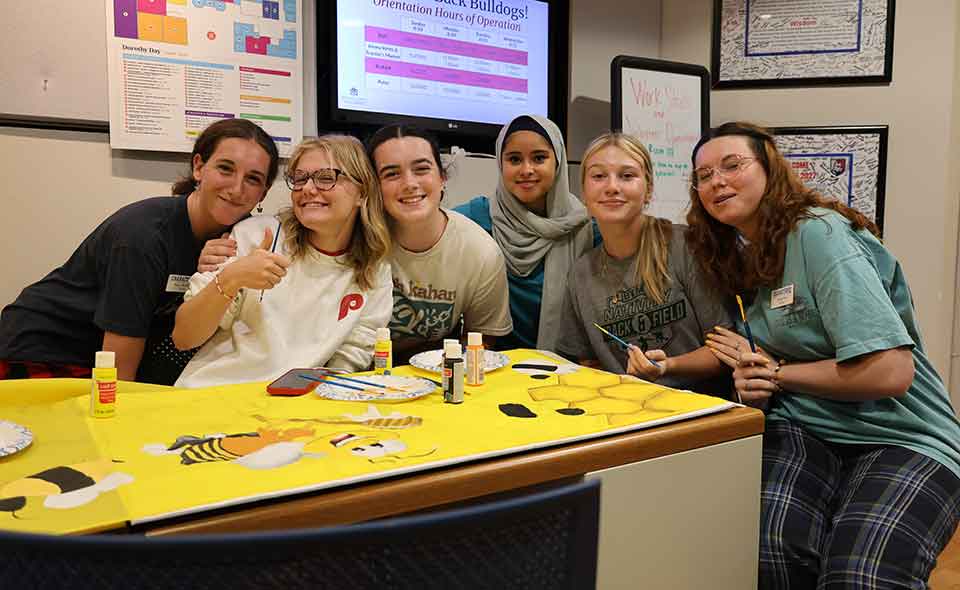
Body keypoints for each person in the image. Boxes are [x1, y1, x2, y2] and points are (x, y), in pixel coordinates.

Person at [689, 121, 960, 587]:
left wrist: (777, 373)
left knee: (861, 574)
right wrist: (754, 384)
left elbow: (892, 372)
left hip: (901, 434)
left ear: (771, 169)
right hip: (804, 426)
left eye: (732, 165)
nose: (717, 181)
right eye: (704, 174)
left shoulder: (819, 235)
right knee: (767, 552)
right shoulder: (735, 256)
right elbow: (766, 367)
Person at [0, 119, 279, 382]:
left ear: (263, 193)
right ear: (198, 168)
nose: (236, 188)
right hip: (46, 351)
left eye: (253, 179)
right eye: (225, 169)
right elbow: (119, 367)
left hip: (109, 360)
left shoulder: (245, 238)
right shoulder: (142, 236)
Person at [172, 134, 392, 388]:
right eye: (300, 179)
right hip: (215, 393)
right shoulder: (258, 235)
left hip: (296, 407)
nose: (308, 189)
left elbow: (350, 358)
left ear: (362, 193)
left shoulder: (374, 270)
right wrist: (233, 278)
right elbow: (184, 337)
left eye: (326, 178)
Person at [557, 133, 733, 395]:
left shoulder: (684, 245)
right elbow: (586, 363)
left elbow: (726, 350)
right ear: (584, 193)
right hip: (626, 414)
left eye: (627, 176)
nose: (612, 187)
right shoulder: (581, 273)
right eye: (598, 176)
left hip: (699, 409)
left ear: (648, 189)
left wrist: (668, 367)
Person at [364, 125, 511, 365]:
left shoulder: (479, 251)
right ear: (374, 186)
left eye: (421, 169)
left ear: (442, 177)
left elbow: (482, 343)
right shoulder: (360, 240)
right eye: (391, 174)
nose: (409, 183)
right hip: (364, 377)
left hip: (439, 374)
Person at [455, 114, 597, 352]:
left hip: (564, 370)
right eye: (514, 159)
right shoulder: (476, 217)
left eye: (539, 158)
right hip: (493, 369)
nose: (526, 169)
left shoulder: (586, 228)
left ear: (558, 162)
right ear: (501, 164)